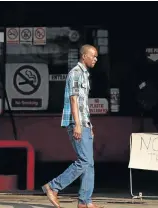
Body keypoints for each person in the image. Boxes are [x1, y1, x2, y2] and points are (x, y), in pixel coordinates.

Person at [42, 44, 103, 208]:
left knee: (89, 163)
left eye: (96, 56)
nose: (96, 59)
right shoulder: (75, 73)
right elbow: (74, 100)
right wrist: (77, 124)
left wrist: (88, 124)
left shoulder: (85, 74)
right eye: (93, 56)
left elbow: (84, 105)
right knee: (83, 161)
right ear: (84, 56)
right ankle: (53, 186)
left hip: (84, 123)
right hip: (76, 123)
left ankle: (85, 201)